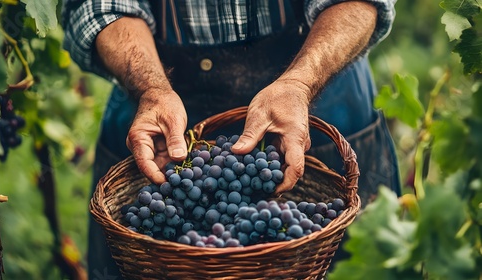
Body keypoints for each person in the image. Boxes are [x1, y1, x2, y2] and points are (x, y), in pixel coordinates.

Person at [62, 0, 400, 278]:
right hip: (155, 90)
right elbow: (98, 6)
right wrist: (151, 88)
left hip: (322, 81)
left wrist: (300, 83)